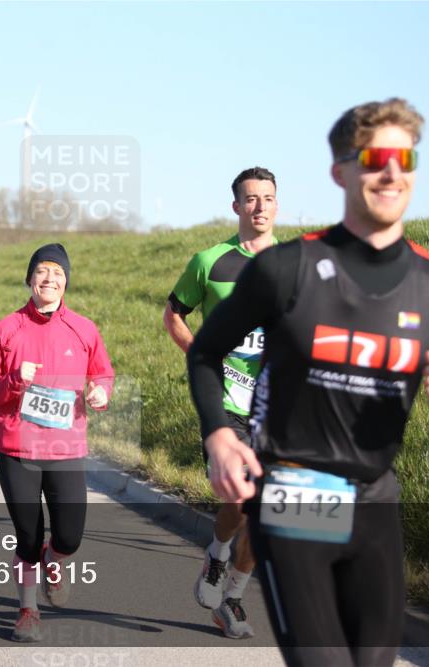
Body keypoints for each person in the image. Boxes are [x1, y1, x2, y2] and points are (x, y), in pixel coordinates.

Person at [187, 98, 429, 667]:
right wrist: (219, 434)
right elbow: (204, 351)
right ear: (340, 171)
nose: (391, 171)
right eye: (374, 158)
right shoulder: (286, 269)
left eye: (404, 158)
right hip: (296, 491)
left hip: (375, 502)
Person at [0, 243, 114, 643]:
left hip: (65, 449)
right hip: (17, 450)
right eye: (42, 272)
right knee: (28, 538)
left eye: (57, 273)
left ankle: (55, 560)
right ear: (30, 279)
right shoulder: (7, 329)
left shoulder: (83, 329)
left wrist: (101, 392)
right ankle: (28, 611)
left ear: (66, 282)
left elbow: (103, 373)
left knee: (69, 536)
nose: (49, 279)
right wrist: (14, 380)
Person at [164, 166, 279, 639]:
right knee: (243, 496)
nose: (260, 206)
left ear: (276, 204)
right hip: (227, 401)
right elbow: (173, 314)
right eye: (251, 198)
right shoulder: (210, 262)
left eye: (267, 198)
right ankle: (217, 552)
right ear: (236, 206)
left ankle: (231, 595)